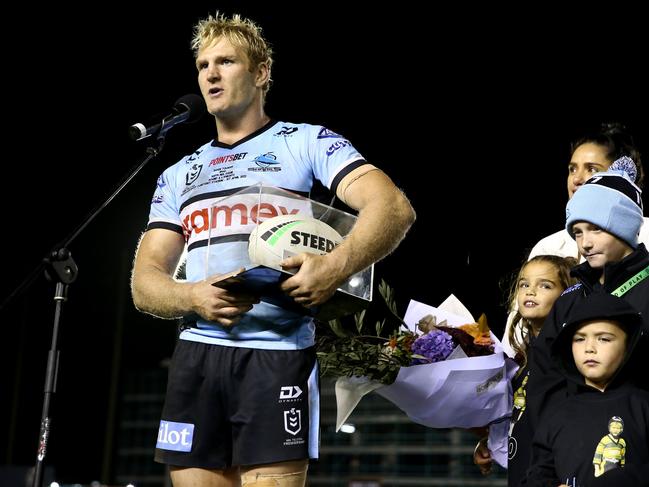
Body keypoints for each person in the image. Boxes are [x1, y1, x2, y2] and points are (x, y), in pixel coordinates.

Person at [130, 12, 415, 487]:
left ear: (261, 73)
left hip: (276, 354)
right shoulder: (177, 173)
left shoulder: (306, 141)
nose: (211, 74)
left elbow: (393, 207)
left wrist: (333, 266)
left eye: (226, 61)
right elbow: (145, 281)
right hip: (197, 357)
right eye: (203, 65)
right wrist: (190, 296)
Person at [519, 166, 649, 486]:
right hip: (567, 451)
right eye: (577, 232)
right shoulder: (570, 298)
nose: (585, 242)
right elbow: (544, 381)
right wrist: (552, 445)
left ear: (624, 226)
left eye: (595, 229)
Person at [502, 123, 648, 357]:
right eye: (572, 169)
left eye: (592, 169)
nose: (578, 179)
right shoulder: (548, 245)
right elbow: (518, 325)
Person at [521, 293, 649, 486]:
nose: (589, 348)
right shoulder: (555, 414)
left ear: (629, 345)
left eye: (604, 339)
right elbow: (537, 475)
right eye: (579, 339)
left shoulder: (643, 406)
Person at [473, 255, 577, 482]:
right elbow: (524, 419)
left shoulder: (570, 357)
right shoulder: (523, 359)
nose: (530, 291)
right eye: (524, 284)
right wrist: (493, 441)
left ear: (566, 295)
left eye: (545, 285)